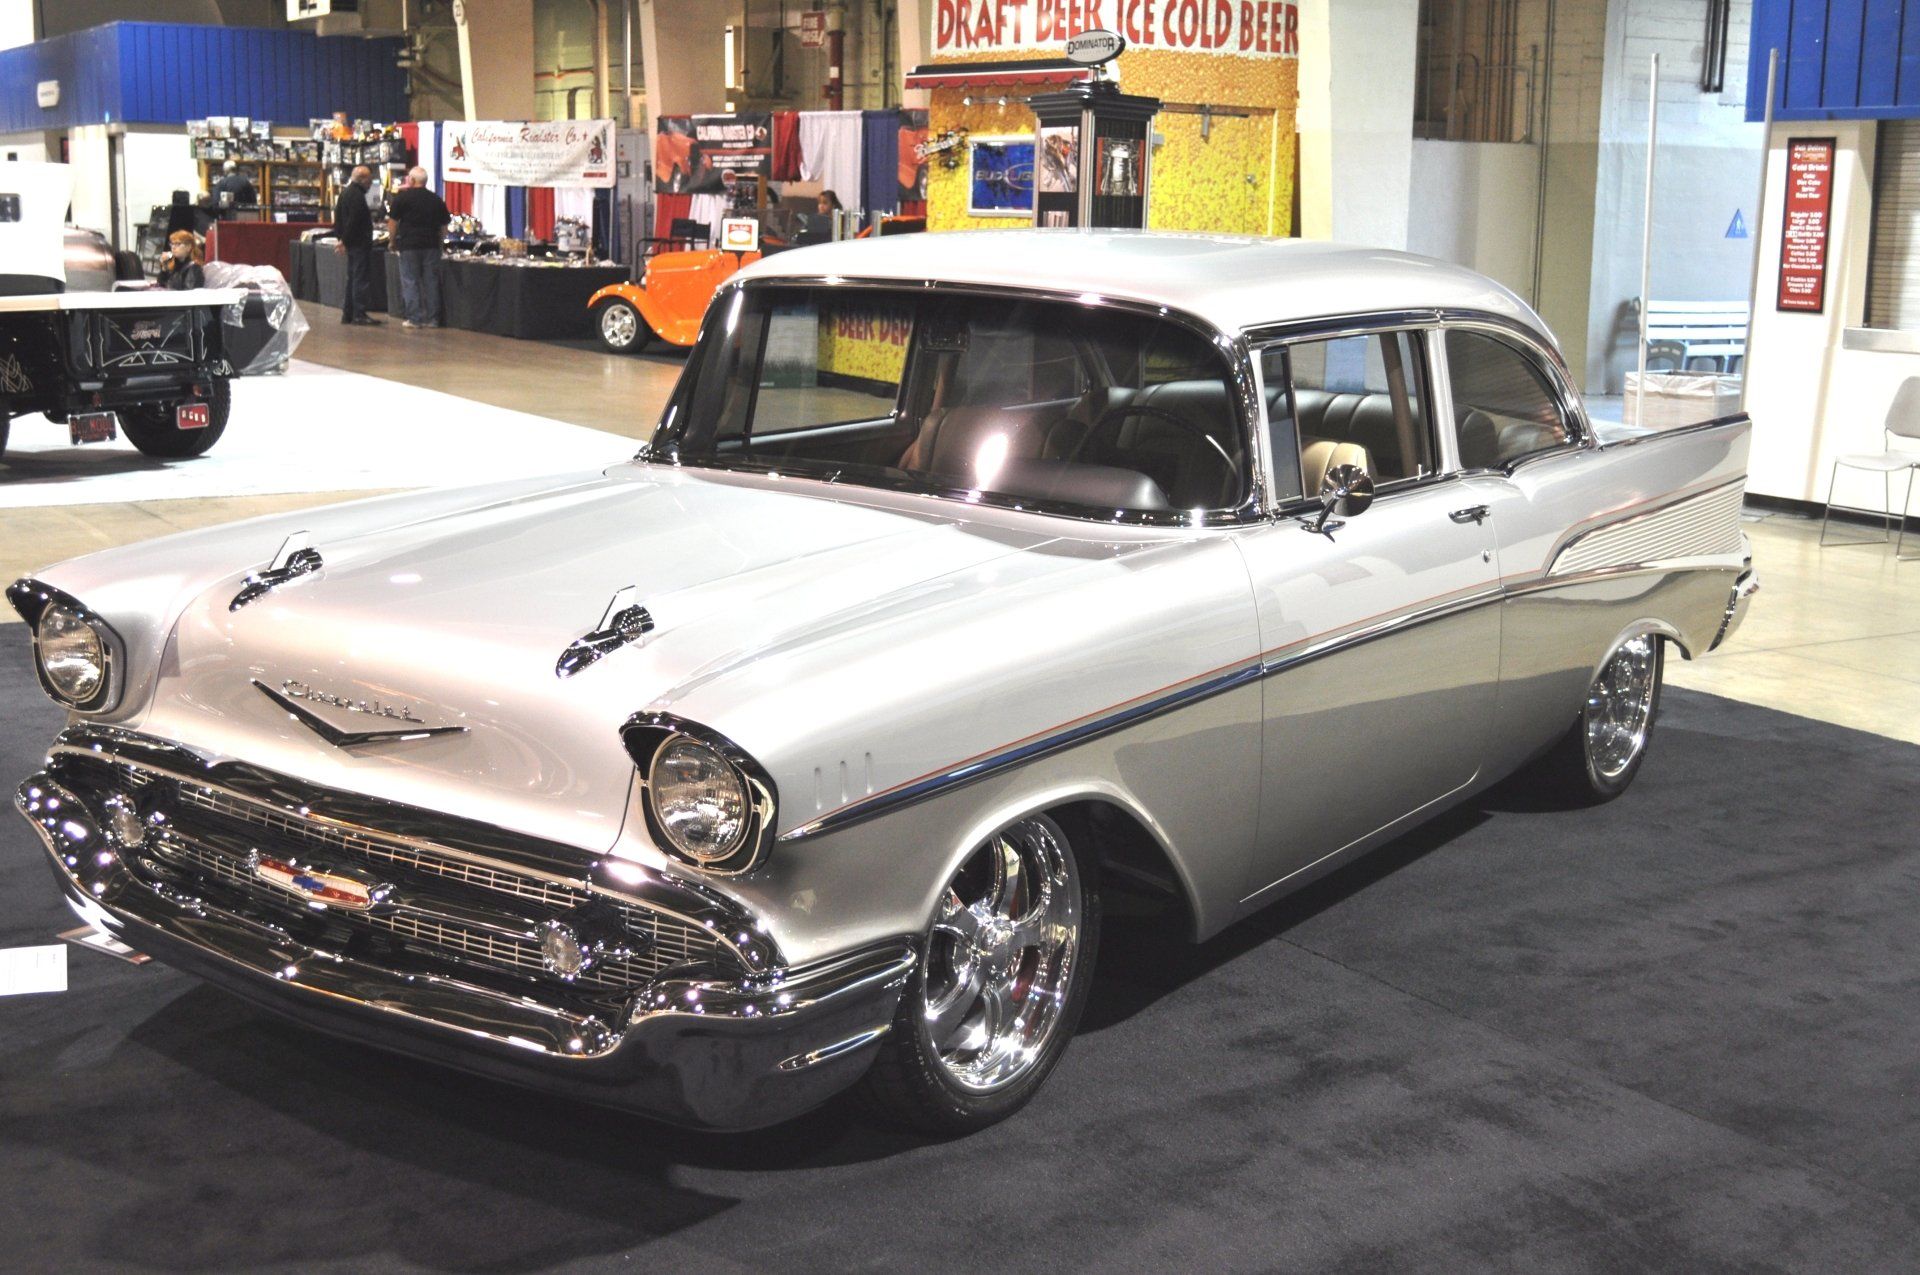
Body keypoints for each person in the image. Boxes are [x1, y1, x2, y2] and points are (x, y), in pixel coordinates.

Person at [385, 166, 450, 329]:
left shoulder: (402, 198)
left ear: (412, 180)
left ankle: (414, 318)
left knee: (410, 281)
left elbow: (393, 222)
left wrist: (392, 241)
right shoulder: (436, 199)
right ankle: (433, 319)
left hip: (409, 246)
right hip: (431, 245)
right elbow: (444, 226)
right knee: (431, 281)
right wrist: (440, 244)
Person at [331, 165, 382, 326]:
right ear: (362, 179)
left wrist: (341, 238)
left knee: (352, 278)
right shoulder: (357, 196)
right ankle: (359, 313)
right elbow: (354, 221)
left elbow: (339, 219)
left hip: (351, 243)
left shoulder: (345, 193)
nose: (370, 184)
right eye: (369, 180)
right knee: (359, 279)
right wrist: (343, 241)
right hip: (359, 243)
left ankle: (348, 313)